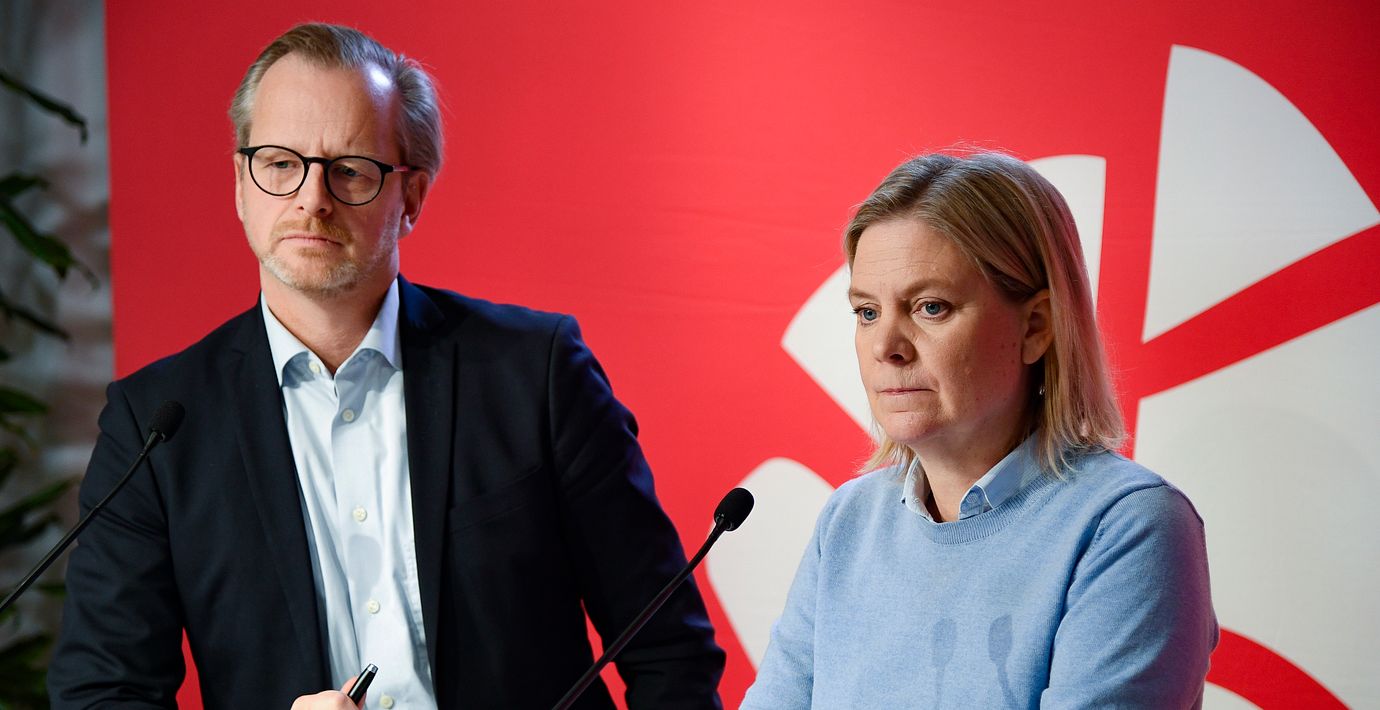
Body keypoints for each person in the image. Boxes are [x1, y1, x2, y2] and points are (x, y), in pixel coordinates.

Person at [48, 23, 724, 709]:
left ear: (412, 198)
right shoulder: (157, 426)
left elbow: (668, 650)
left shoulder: (536, 375)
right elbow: (101, 695)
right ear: (241, 185)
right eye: (279, 164)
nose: (312, 198)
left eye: (349, 170)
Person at [741, 152, 1217, 708]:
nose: (885, 346)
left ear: (1036, 327)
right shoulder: (848, 521)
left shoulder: (1128, 527)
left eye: (930, 307)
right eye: (867, 312)